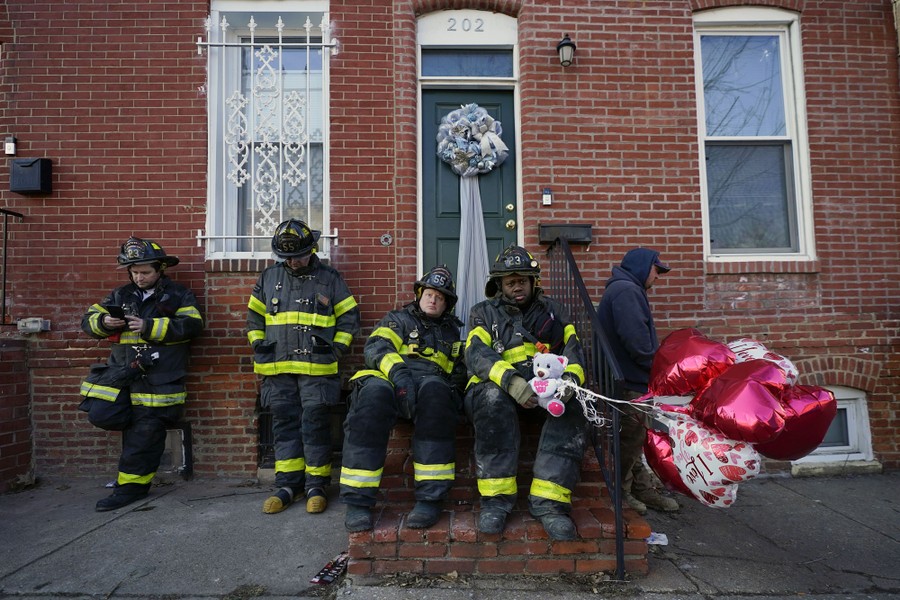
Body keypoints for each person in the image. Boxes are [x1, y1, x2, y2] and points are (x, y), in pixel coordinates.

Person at [464, 245, 587, 541]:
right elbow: (476, 354)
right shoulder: (482, 313)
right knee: (492, 401)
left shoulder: (554, 311)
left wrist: (569, 381)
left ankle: (550, 504)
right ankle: (496, 502)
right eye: (510, 282)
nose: (517, 286)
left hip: (545, 391)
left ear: (534, 282)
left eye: (522, 280)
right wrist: (513, 383)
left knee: (573, 407)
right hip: (497, 388)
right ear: (500, 286)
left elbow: (574, 351)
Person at [80, 237, 204, 512]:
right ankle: (132, 476)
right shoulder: (120, 295)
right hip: (123, 377)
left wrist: (147, 326)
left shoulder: (178, 295)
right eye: (134, 272)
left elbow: (192, 325)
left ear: (160, 269)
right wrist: (103, 322)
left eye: (145, 272)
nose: (139, 277)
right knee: (101, 414)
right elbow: (87, 320)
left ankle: (130, 489)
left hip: (158, 381)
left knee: (144, 434)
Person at [340, 266, 467, 531]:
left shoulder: (453, 334)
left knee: (437, 395)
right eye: (430, 294)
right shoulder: (397, 320)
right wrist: (400, 376)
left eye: (441, 297)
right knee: (372, 397)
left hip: (429, 386)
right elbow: (376, 349)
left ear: (448, 304)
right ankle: (358, 503)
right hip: (389, 379)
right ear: (420, 294)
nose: (434, 300)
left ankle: (429, 500)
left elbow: (456, 372)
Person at [248, 219, 360, 515]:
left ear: (313, 249)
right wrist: (259, 345)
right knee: (284, 426)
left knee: (315, 426)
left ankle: (316, 486)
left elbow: (350, 318)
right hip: (277, 367)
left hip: (317, 369)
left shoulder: (330, 279)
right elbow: (254, 319)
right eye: (287, 257)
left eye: (298, 255)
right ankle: (287, 486)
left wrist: (336, 350)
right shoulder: (269, 277)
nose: (293, 262)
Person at [596, 247, 679, 515]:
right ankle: (620, 494)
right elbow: (637, 343)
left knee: (636, 438)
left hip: (631, 380)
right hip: (628, 382)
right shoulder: (626, 291)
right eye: (657, 270)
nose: (658, 276)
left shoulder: (626, 289)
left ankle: (641, 488)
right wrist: (657, 367)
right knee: (629, 440)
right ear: (644, 267)